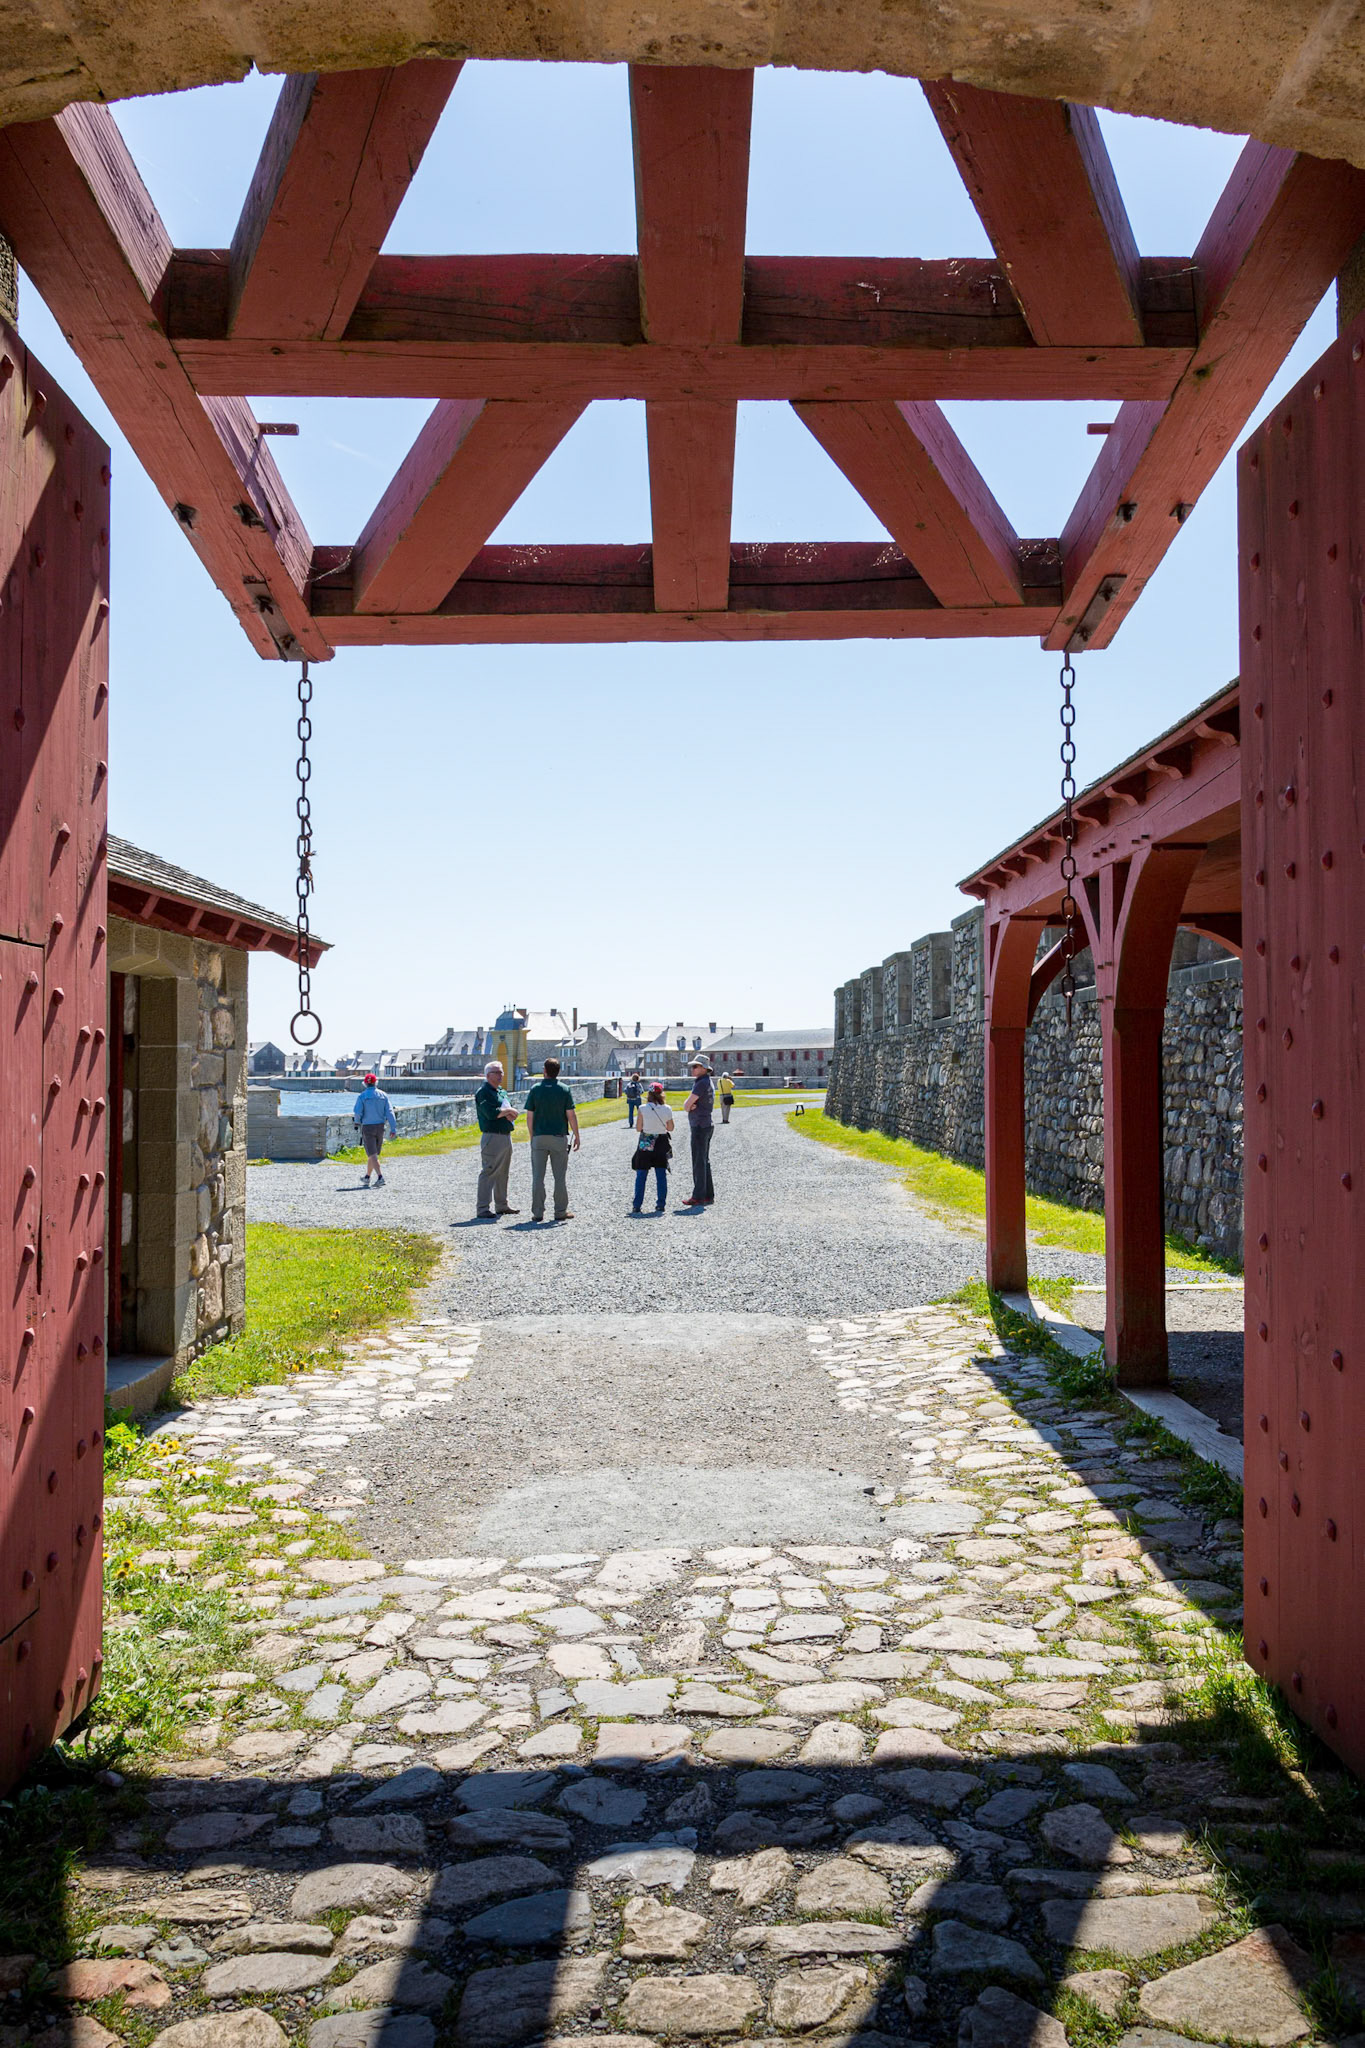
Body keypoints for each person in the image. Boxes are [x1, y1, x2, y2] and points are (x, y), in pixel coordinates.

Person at [524, 1056, 581, 1222]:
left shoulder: (535, 1089)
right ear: (558, 1072)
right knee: (559, 1177)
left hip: (539, 1137)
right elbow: (571, 1115)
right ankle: (560, 1211)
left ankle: (537, 1212)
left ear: (544, 1071)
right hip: (558, 1137)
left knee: (538, 1177)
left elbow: (529, 1116)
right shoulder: (564, 1089)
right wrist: (576, 1135)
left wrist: (531, 1135)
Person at [473, 1060, 520, 1218]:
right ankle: (483, 1208)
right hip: (492, 1136)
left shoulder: (501, 1092)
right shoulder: (483, 1092)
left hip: (505, 1135)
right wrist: (507, 1111)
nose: (500, 1075)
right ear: (488, 1075)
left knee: (503, 1172)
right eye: (497, 1072)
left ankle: (502, 1205)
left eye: (501, 1072)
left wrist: (507, 1112)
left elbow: (510, 1113)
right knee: (489, 1171)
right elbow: (491, 1113)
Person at [630, 1081, 674, 1213]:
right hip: (661, 1141)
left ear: (649, 1094)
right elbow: (670, 1128)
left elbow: (638, 1128)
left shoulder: (642, 1108)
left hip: (646, 1141)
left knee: (641, 1174)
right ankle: (661, 1204)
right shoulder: (667, 1109)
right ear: (661, 1094)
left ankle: (637, 1205)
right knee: (661, 1174)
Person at [680, 1053, 715, 1206]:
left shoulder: (701, 1083)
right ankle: (707, 1194)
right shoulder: (707, 1081)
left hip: (699, 1125)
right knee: (704, 1161)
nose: (692, 1069)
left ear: (703, 1068)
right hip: (706, 1124)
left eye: (695, 1066)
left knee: (698, 1162)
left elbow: (687, 1105)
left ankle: (699, 1196)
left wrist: (689, 1107)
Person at [352, 1072, 398, 1187]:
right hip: (380, 1126)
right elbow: (390, 1112)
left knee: (372, 1154)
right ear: (375, 1082)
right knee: (374, 1154)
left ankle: (380, 1177)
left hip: (368, 1127)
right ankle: (367, 1177)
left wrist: (357, 1123)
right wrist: (393, 1128)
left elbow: (357, 1112)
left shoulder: (362, 1096)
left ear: (365, 1084)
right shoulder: (383, 1096)